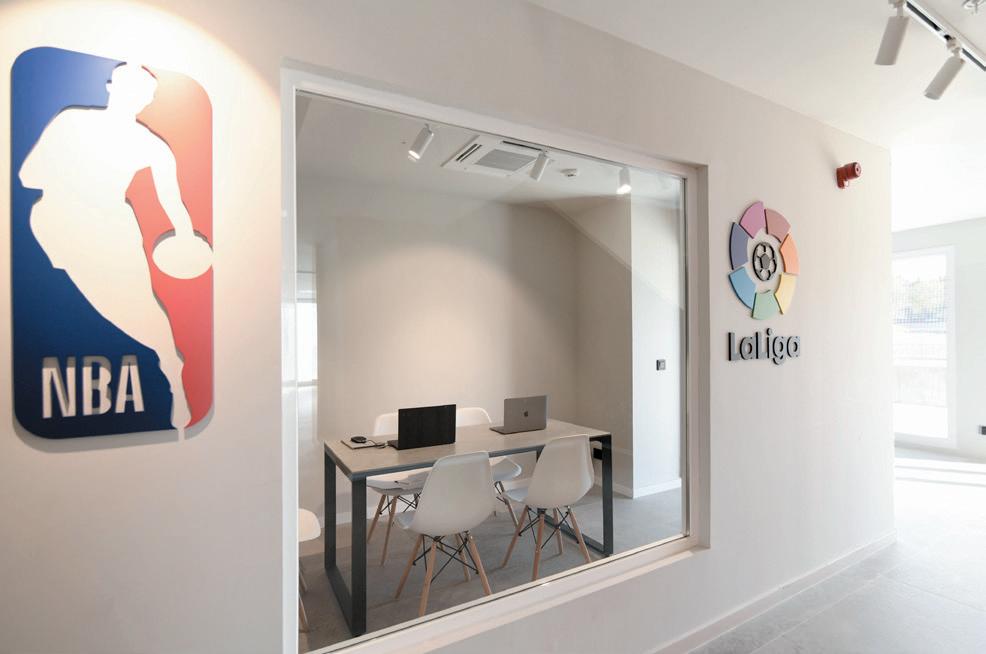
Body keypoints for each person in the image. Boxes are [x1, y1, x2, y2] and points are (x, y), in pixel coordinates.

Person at [19, 63, 201, 430]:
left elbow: (172, 201)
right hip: (58, 223)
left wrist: (185, 236)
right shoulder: (71, 123)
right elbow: (28, 175)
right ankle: (165, 363)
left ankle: (171, 368)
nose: (136, 99)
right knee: (81, 301)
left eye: (142, 95)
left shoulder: (151, 145)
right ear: (110, 87)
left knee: (139, 307)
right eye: (131, 91)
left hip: (111, 231)